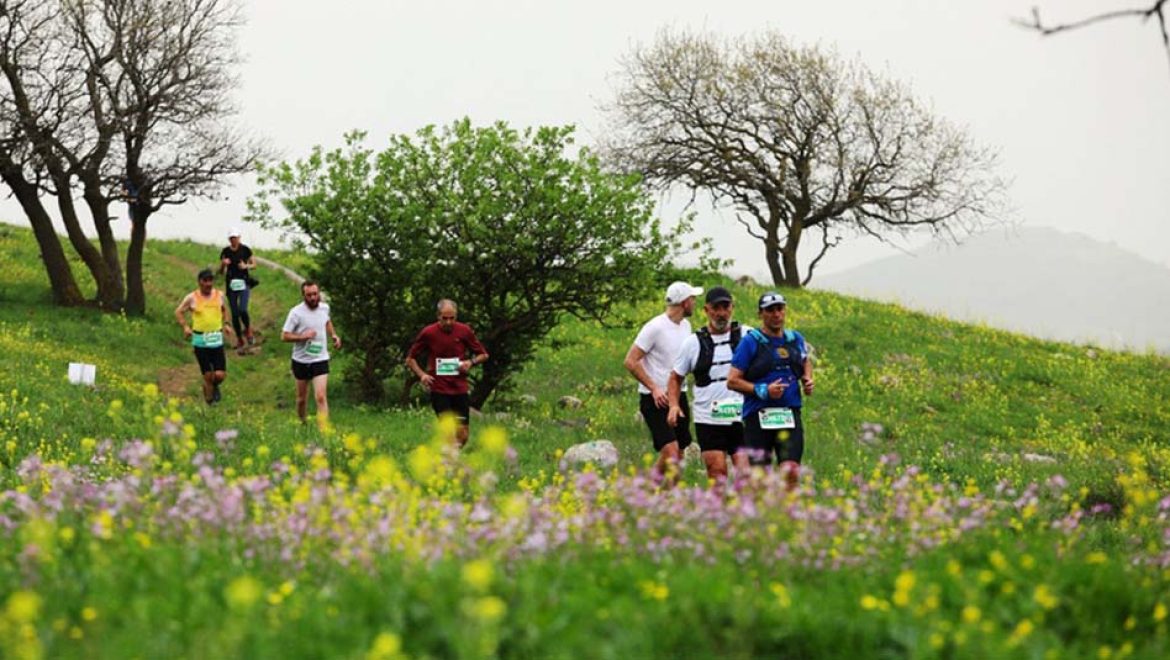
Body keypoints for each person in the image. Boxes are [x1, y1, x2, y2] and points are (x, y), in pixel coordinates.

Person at [726, 292, 815, 491]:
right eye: (770, 310)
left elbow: (804, 362)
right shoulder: (750, 342)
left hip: (789, 413)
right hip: (758, 415)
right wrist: (762, 390)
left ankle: (789, 516)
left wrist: (807, 379)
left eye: (780, 309)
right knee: (760, 480)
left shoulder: (795, 338)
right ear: (761, 314)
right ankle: (763, 518)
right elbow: (732, 381)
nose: (776, 314)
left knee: (791, 470)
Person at [667, 286, 751, 483]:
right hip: (708, 417)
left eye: (725, 307)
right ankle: (718, 512)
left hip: (742, 415)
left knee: (746, 473)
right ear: (706, 310)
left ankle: (746, 512)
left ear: (732, 307)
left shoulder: (748, 335)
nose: (721, 313)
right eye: (716, 308)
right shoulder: (692, 343)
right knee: (716, 471)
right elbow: (675, 377)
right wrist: (673, 405)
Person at [623, 281, 702, 482]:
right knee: (671, 452)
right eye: (692, 299)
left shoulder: (686, 326)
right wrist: (654, 388)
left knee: (679, 452)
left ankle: (658, 494)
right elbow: (631, 361)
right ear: (684, 303)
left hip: (679, 396)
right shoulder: (655, 327)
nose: (695, 302)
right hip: (655, 399)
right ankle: (651, 495)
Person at [405, 299, 489, 448]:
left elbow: (483, 354)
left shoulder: (464, 331)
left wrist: (470, 362)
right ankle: (449, 463)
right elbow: (410, 359)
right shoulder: (428, 333)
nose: (449, 322)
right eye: (445, 318)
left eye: (452, 318)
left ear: (456, 316)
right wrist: (422, 375)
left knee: (462, 435)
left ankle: (452, 456)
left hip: (460, 389)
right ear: (438, 316)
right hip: (439, 389)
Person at [281, 281, 341, 429]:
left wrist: (333, 335)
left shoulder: (324, 308)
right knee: (301, 399)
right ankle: (303, 424)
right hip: (301, 360)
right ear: (303, 296)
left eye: (315, 294)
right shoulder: (296, 313)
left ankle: (324, 431)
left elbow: (327, 321)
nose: (313, 298)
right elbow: (284, 336)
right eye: (309, 295)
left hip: (320, 358)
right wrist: (302, 337)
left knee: (320, 397)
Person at [174, 269, 234, 404]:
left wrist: (227, 324)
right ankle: (210, 403)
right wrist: (185, 326)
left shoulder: (219, 295)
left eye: (210, 281)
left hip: (216, 340)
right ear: (199, 282)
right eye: (205, 281)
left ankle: (214, 385)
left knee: (220, 375)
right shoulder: (191, 297)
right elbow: (178, 312)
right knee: (207, 375)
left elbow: (225, 310)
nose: (208, 284)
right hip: (200, 341)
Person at [219, 227, 257, 351]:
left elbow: (254, 264)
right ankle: (239, 338)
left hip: (243, 283)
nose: (233, 240)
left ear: (239, 238)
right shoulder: (225, 251)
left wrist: (246, 266)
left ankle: (248, 330)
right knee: (235, 314)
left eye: (235, 238)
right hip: (231, 284)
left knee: (243, 309)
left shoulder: (245, 250)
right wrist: (223, 264)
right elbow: (221, 272)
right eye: (231, 238)